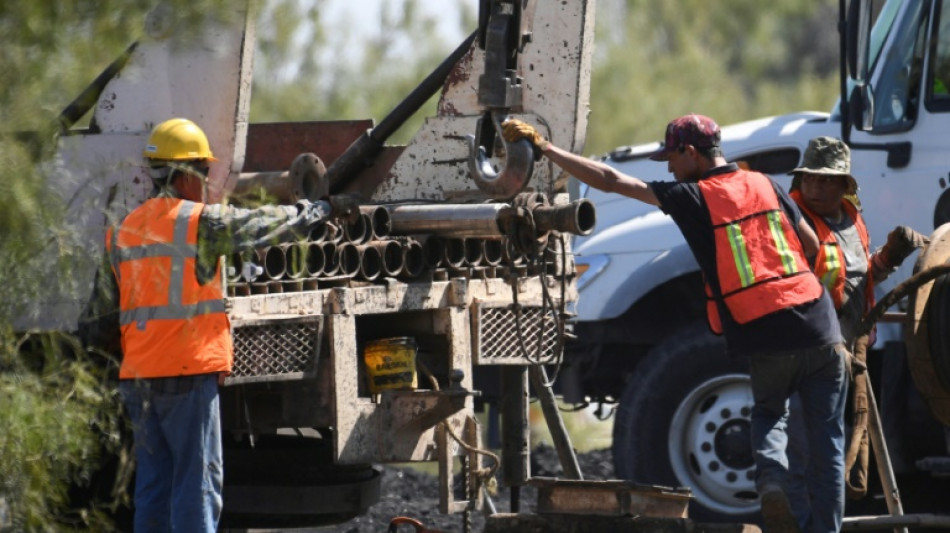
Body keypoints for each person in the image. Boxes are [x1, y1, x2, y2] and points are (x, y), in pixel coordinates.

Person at [503, 114, 846, 533]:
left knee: (770, 414)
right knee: (828, 440)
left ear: (690, 152)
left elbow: (612, 181)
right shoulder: (765, 183)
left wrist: (547, 149)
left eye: (672, 157)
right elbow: (810, 243)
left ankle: (771, 482)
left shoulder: (695, 197)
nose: (668, 167)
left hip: (768, 330)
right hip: (821, 324)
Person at [79, 118, 357, 532]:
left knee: (153, 488)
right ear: (186, 174)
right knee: (197, 486)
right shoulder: (199, 223)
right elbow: (268, 226)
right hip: (187, 376)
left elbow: (98, 320)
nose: (208, 180)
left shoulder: (122, 231)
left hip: (138, 380)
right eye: (205, 171)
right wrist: (321, 208)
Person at [784, 136, 928, 531]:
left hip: (843, 351)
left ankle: (823, 526)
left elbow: (859, 276)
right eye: (810, 179)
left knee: (829, 448)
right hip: (800, 348)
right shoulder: (792, 220)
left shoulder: (851, 220)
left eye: (826, 180)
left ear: (844, 185)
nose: (816, 187)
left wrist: (888, 257)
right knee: (800, 444)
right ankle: (796, 523)